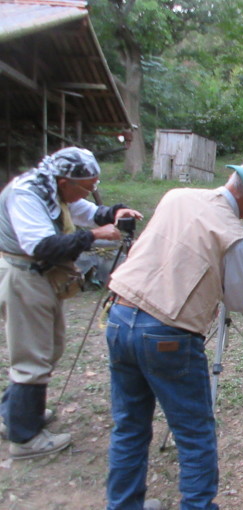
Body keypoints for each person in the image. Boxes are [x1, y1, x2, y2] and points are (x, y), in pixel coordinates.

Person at [106, 155, 243, 510]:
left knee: (129, 427)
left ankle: (123, 505)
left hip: (120, 315)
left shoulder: (176, 196)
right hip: (167, 332)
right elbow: (237, 299)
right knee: (194, 434)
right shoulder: (235, 235)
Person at [0, 147, 141, 459]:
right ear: (66, 181)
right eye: (87, 186)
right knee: (33, 356)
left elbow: (85, 211)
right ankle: (24, 438)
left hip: (41, 278)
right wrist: (93, 236)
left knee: (50, 347)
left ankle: (16, 413)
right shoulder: (27, 194)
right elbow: (42, 246)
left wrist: (115, 213)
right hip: (25, 277)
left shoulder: (53, 189)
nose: (91, 192)